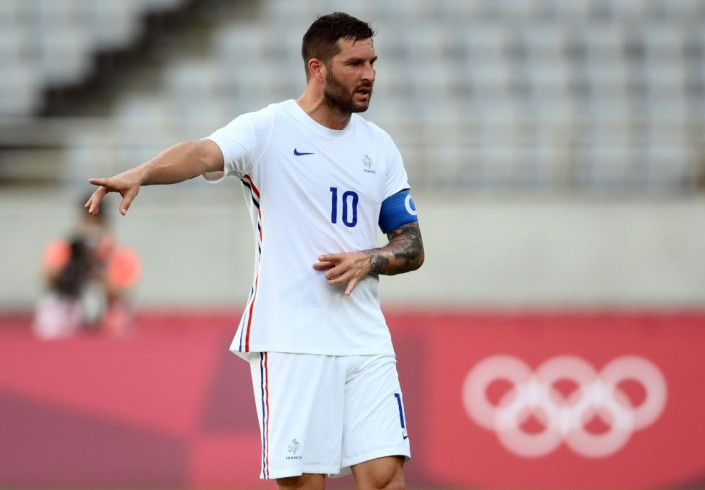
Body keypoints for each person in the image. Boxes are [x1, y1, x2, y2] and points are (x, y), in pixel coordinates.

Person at [85, 12, 424, 489]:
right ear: (317, 68)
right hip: (291, 338)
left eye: (373, 62)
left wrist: (370, 258)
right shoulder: (269, 130)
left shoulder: (380, 147)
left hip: (365, 337)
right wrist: (141, 173)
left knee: (387, 477)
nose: (369, 75)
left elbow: (412, 243)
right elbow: (202, 153)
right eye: (354, 63)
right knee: (305, 483)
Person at [34, 196, 141, 339]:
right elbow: (49, 280)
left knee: (118, 320)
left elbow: (119, 293)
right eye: (87, 221)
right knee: (50, 315)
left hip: (105, 308)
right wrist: (74, 258)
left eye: (96, 221)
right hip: (71, 305)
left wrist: (99, 261)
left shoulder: (121, 254)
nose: (90, 229)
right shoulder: (65, 248)